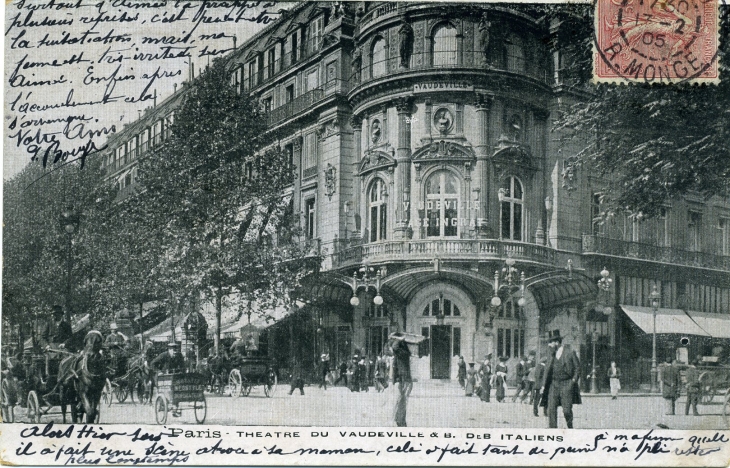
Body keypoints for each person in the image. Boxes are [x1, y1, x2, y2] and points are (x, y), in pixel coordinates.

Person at [541, 330, 581, 428]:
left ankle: (570, 425)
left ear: (557, 342)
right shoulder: (550, 354)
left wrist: (573, 381)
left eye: (551, 342)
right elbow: (546, 370)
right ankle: (553, 430)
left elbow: (578, 368)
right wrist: (543, 385)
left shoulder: (570, 352)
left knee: (566, 410)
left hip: (566, 383)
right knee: (551, 409)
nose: (549, 344)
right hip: (553, 384)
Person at [390, 334, 412, 427]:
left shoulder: (401, 354)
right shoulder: (401, 354)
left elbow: (394, 347)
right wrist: (400, 339)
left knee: (402, 400)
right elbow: (394, 347)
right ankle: (400, 420)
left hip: (404, 379)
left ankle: (400, 420)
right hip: (403, 379)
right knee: (401, 400)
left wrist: (398, 339)